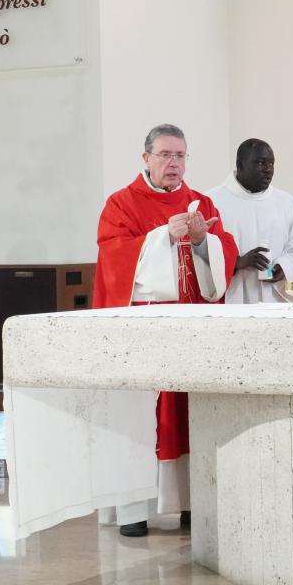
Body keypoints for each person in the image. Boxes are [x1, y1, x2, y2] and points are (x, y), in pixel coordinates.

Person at [93, 123, 237, 537]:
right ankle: (134, 509)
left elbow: (224, 252)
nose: (174, 163)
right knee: (141, 416)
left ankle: (190, 502)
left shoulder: (201, 203)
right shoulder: (121, 203)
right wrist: (162, 238)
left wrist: (203, 241)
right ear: (146, 158)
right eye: (165, 155)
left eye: (180, 155)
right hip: (143, 332)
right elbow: (113, 259)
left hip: (192, 328)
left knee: (189, 412)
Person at [206, 138, 293, 303]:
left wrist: (285, 267)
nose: (268, 169)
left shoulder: (286, 202)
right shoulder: (212, 201)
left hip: (274, 300)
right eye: (261, 163)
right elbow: (201, 252)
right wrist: (236, 262)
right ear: (240, 165)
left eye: (271, 163)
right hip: (230, 301)